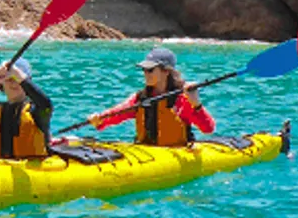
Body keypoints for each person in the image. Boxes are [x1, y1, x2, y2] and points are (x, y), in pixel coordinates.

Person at [87, 46, 217, 145]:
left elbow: (208, 129)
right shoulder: (141, 98)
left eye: (150, 70)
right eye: (144, 69)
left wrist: (196, 105)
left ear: (166, 71)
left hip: (175, 153)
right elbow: (118, 112)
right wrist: (100, 119)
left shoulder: (181, 99)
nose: (145, 73)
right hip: (146, 150)